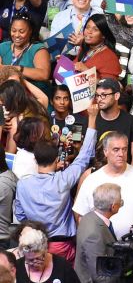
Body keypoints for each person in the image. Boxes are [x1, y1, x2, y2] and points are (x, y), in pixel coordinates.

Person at [14, 101, 98, 262]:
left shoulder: (23, 184)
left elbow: (20, 214)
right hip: (62, 246)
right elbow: (83, 158)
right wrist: (92, 119)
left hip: (35, 245)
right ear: (56, 159)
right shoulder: (63, 179)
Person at [73, 131, 133, 236]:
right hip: (101, 247)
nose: (121, 154)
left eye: (124, 149)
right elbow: (80, 216)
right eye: (116, 150)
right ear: (105, 151)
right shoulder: (91, 180)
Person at [14, 227, 82, 283]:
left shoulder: (61, 264)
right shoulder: (17, 267)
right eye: (29, 260)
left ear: (45, 250)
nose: (34, 262)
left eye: (38, 258)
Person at [92, 78, 133, 166]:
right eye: (97, 95)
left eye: (104, 95)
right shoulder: (91, 119)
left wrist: (127, 178)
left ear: (116, 96)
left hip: (124, 174)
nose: (99, 99)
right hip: (96, 174)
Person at [0, 15, 51, 95]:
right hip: (9, 98)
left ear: (30, 31)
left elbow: (44, 74)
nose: (16, 35)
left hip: (35, 99)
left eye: (21, 31)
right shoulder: (3, 47)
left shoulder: (38, 49)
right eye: (13, 30)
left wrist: (16, 69)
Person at [73, 14, 120, 80]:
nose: (89, 31)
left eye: (95, 29)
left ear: (103, 35)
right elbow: (75, 66)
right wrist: (64, 63)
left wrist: (86, 70)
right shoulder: (84, 47)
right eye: (87, 27)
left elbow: (110, 85)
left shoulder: (110, 57)